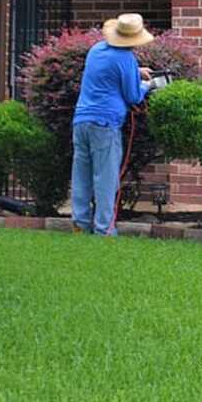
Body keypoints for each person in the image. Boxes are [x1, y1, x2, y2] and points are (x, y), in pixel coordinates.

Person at [71, 13, 155, 236]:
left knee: (82, 173)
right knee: (105, 178)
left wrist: (136, 72)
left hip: (81, 120)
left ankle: (80, 223)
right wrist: (150, 84)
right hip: (105, 124)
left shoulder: (96, 50)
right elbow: (134, 96)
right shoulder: (126, 59)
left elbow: (108, 71)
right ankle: (104, 229)